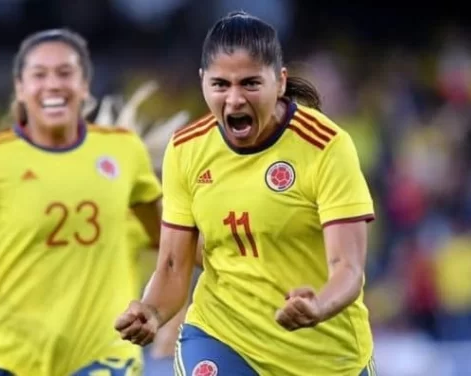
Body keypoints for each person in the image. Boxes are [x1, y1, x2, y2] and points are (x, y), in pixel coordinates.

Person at [115, 11, 378, 376]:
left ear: (280, 82)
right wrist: (152, 311)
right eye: (221, 85)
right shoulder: (187, 149)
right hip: (223, 337)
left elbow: (347, 267)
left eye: (250, 84)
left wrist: (318, 306)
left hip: (325, 356)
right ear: (203, 82)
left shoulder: (326, 147)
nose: (234, 99)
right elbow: (173, 265)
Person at [0, 28, 162, 376]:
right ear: (20, 87)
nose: (53, 84)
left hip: (104, 357)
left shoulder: (125, 155)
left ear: (85, 84)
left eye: (65, 73)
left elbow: (175, 251)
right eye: (39, 74)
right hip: (14, 360)